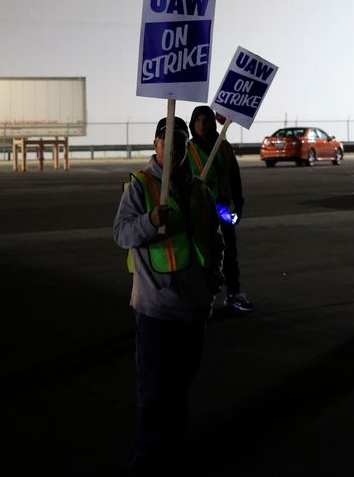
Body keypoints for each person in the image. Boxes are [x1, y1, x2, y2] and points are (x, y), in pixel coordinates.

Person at [113, 116, 224, 471]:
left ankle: (172, 444)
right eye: (166, 141)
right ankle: (146, 452)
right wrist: (149, 222)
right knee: (154, 386)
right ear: (156, 145)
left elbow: (214, 237)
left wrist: (214, 275)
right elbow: (121, 234)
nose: (172, 149)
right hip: (156, 306)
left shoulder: (199, 189)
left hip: (194, 307)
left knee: (179, 383)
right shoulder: (140, 186)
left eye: (180, 141)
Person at [186, 106, 252, 312]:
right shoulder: (187, 150)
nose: (202, 125)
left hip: (223, 210)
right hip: (201, 212)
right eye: (197, 121)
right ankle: (202, 296)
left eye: (206, 120)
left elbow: (234, 176)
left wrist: (238, 204)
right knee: (203, 256)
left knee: (229, 253)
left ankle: (233, 293)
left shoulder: (223, 147)